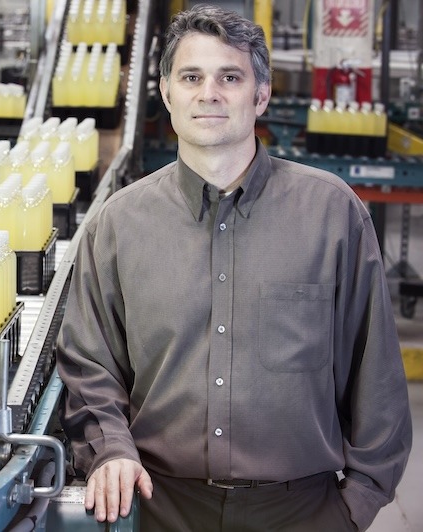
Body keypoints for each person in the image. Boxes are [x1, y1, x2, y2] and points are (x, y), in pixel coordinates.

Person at [56, 5, 412, 531]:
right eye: (191, 77)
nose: (209, 93)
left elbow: (376, 372)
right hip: (160, 508)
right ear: (166, 93)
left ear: (260, 95)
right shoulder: (119, 224)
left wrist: (353, 506)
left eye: (231, 77)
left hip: (302, 511)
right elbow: (90, 362)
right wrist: (110, 450)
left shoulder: (331, 213)